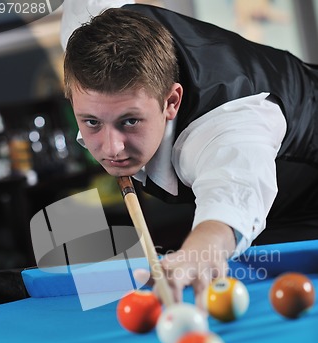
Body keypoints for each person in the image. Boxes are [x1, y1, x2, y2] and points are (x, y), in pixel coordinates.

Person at [60, 0, 318, 309]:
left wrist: (198, 253)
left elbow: (232, 198)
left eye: (130, 120)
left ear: (171, 101)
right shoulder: (86, 32)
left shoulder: (229, 126)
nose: (113, 147)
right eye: (92, 122)